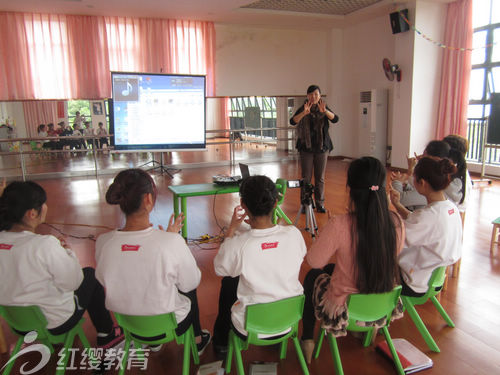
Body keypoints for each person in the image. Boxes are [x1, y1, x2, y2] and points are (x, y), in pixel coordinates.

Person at [95, 169, 211, 354]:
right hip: (171, 325)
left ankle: (152, 342)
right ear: (148, 200)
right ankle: (197, 341)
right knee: (185, 284)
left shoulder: (103, 242)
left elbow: (104, 278)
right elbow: (191, 282)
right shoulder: (171, 243)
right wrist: (172, 241)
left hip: (130, 325)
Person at [300, 157, 404, 363]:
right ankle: (367, 331)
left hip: (344, 308)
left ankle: (307, 339)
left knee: (313, 276)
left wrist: (331, 231)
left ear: (351, 188)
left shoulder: (340, 224)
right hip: (381, 304)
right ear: (383, 187)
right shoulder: (396, 221)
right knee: (332, 268)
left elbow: (313, 261)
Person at [0, 181, 123, 349]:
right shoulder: (44, 245)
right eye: (43, 204)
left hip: (18, 324)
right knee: (90, 275)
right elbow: (73, 282)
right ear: (31, 214)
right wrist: (66, 253)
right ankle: (107, 334)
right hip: (54, 323)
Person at [212, 175, 306, 356]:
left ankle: (221, 342)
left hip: (250, 327)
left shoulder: (239, 245)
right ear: (276, 202)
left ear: (243, 205)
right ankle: (277, 339)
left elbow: (220, 268)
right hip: (290, 320)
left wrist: (231, 230)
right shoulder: (294, 234)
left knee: (229, 282)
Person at [390, 157, 462, 296]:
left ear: (422, 183)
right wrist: (398, 205)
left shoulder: (428, 216)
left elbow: (395, 239)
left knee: (369, 261)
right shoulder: (450, 207)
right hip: (434, 278)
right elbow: (417, 221)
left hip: (413, 281)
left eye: (414, 178)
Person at [290, 85, 339, 213]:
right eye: (311, 94)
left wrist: (325, 112)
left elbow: (335, 119)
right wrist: (304, 113)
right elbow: (293, 121)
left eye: (316, 94)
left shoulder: (323, 106)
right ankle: (306, 203)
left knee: (320, 177)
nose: (313, 97)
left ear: (320, 96)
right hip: (306, 147)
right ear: (307, 96)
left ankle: (320, 204)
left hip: (322, 147)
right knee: (306, 177)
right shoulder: (304, 107)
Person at [391, 140, 466, 210]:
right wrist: (406, 185)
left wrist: (398, 181)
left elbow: (401, 199)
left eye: (423, 156)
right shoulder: (445, 178)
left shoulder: (431, 184)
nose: (419, 159)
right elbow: (416, 194)